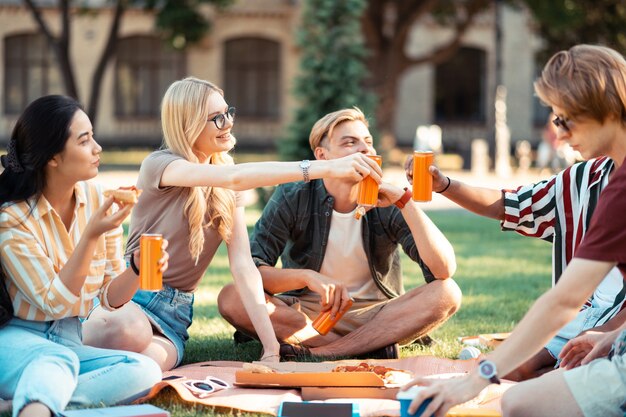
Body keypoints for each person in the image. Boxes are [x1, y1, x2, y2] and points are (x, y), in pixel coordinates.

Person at [82, 78, 383, 370]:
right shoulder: (160, 165)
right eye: (216, 118)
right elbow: (235, 177)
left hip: (174, 314)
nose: (228, 123)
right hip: (132, 296)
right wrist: (328, 167)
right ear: (189, 124)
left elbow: (243, 267)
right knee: (125, 332)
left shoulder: (226, 185)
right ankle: (70, 352)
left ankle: (74, 369)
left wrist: (270, 347)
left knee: (143, 369)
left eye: (228, 113)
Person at [402, 44, 626, 417]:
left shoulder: (619, 188)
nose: (559, 134)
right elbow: (513, 203)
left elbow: (562, 301)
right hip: (609, 335)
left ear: (601, 107)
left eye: (564, 119)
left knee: (520, 402)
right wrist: (615, 337)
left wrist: (473, 382)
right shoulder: (589, 178)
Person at [217, 107, 461, 360]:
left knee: (448, 291)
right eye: (350, 143)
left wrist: (405, 203)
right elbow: (254, 270)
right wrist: (307, 277)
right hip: (308, 314)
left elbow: (442, 271)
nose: (365, 149)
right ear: (322, 156)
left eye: (368, 142)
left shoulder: (389, 200)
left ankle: (328, 351)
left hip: (377, 314)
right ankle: (371, 347)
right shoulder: (293, 196)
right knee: (232, 297)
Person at [0, 96, 165, 417]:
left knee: (144, 369)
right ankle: (35, 406)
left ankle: (25, 403)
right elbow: (53, 302)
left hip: (68, 339)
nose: (98, 148)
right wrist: (90, 235)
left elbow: (109, 299)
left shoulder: (95, 200)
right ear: (54, 158)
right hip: (14, 341)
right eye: (84, 140)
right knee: (53, 361)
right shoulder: (12, 220)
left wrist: (136, 269)